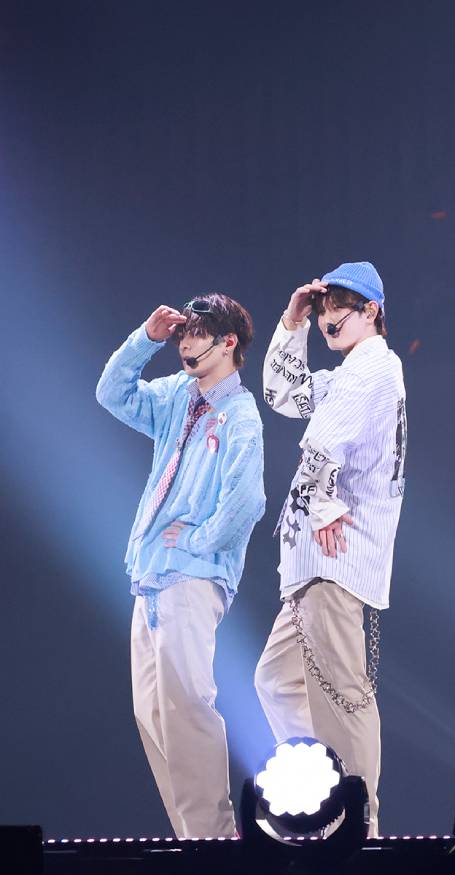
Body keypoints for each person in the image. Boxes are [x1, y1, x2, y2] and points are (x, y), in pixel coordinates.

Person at [96, 295, 264, 838]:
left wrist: (198, 538)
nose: (185, 344)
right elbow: (112, 393)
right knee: (154, 715)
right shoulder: (176, 396)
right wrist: (145, 339)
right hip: (149, 575)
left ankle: (215, 840)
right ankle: (193, 840)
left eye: (196, 334)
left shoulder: (240, 416)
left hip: (192, 577)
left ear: (228, 342)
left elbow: (246, 502)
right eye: (181, 335)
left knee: (187, 705)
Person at [255, 261, 406, 836]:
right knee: (277, 682)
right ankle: (326, 793)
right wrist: (291, 323)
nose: (326, 319)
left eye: (337, 307)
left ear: (371, 310)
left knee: (344, 695)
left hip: (334, 557)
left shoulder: (372, 365)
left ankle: (356, 825)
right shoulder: (351, 372)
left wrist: (321, 505)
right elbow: (283, 395)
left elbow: (322, 438)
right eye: (322, 309)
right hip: (316, 562)